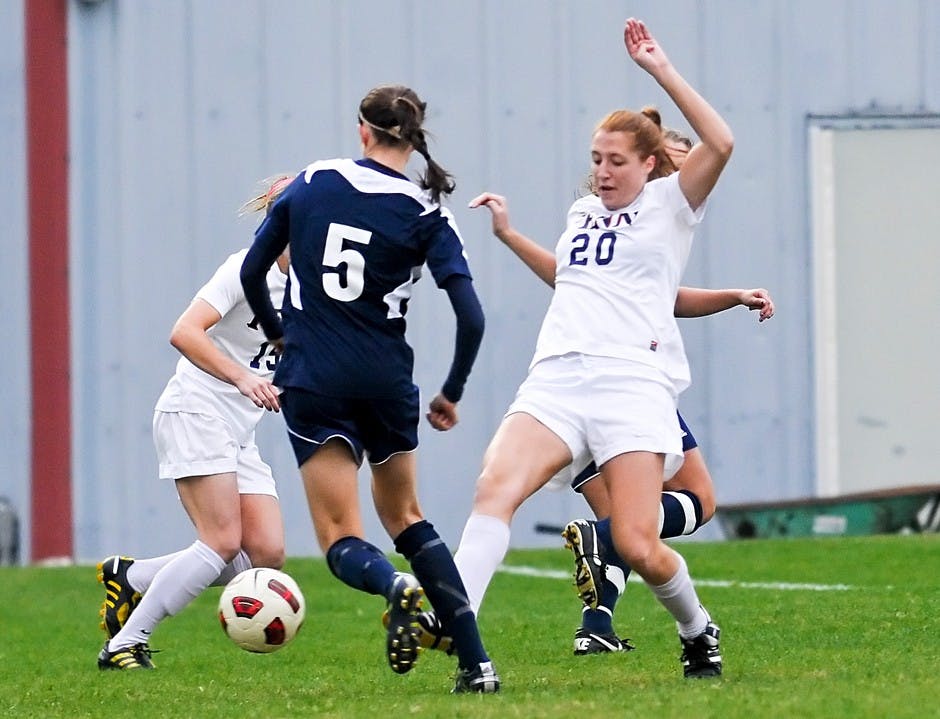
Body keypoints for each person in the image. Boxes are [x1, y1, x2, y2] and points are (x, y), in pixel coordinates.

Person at [451, 17, 734, 679]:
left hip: (631, 382)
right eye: (596, 159)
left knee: (638, 541)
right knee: (494, 487)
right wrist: (509, 234)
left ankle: (698, 628)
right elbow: (567, 278)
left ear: (651, 163)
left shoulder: (671, 204)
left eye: (616, 161)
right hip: (556, 375)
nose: (602, 172)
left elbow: (720, 142)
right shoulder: (582, 214)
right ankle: (459, 631)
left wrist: (659, 68)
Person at [239, 84, 499, 694]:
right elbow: (473, 316)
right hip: (386, 380)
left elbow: (254, 271)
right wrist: (451, 391)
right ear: (413, 138)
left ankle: (393, 586)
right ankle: (477, 665)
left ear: (363, 130)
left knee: (340, 535)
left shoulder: (311, 181)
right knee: (408, 518)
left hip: (315, 377)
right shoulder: (427, 210)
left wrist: (280, 336)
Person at [96, 175, 294, 670]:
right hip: (196, 409)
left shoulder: (315, 284)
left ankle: (134, 577)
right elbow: (184, 332)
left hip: (239, 430)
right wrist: (244, 379)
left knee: (266, 553)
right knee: (222, 541)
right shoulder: (243, 269)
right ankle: (125, 642)